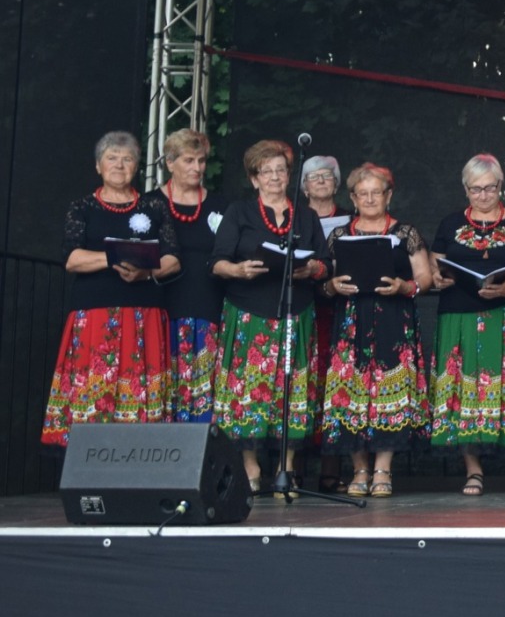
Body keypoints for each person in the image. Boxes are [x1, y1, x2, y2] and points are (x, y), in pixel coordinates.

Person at [42, 132, 180, 447]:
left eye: (127, 158)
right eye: (112, 158)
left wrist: (146, 271)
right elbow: (72, 259)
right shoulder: (83, 207)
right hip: (95, 314)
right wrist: (113, 256)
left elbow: (173, 259)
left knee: (141, 392)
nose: (119, 165)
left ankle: (138, 458)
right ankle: (88, 456)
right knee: (93, 390)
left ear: (137, 166)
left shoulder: (154, 206)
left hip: (144, 313)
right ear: (98, 166)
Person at [211, 139, 329, 491]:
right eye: (267, 171)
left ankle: (285, 467)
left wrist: (313, 269)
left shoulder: (306, 216)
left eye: (281, 170)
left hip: (296, 312)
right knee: (249, 390)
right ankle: (250, 468)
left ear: (289, 175)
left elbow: (326, 262)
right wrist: (238, 270)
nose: (275, 177)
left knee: (290, 389)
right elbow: (216, 262)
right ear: (254, 178)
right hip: (250, 311)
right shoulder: (239, 212)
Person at [318, 164, 432, 497]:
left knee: (389, 394)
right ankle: (360, 469)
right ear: (353, 198)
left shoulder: (405, 232)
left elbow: (425, 279)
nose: (369, 199)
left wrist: (404, 287)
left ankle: (383, 468)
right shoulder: (339, 235)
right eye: (362, 193)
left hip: (393, 320)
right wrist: (332, 286)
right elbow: (324, 282)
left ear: (388, 196)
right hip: (351, 321)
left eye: (376, 193)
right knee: (351, 394)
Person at [430, 154, 505, 497]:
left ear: (500, 186)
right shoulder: (449, 224)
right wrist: (438, 278)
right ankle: (473, 470)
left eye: (490, 188)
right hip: (457, 318)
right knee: (464, 393)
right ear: (465, 189)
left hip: (504, 317)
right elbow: (435, 269)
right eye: (476, 189)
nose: (483, 195)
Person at [147, 128, 226, 424]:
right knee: (164, 385)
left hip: (208, 305)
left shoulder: (221, 205)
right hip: (162, 306)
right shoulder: (149, 203)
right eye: (189, 160)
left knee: (205, 391)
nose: (197, 167)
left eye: (201, 161)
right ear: (170, 163)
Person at [300, 154, 346, 490]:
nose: (320, 181)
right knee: (302, 385)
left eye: (327, 176)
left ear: (337, 183)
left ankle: (331, 471)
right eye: (313, 176)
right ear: (303, 186)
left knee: (335, 387)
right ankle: (293, 469)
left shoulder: (351, 219)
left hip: (339, 311)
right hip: (303, 309)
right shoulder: (291, 218)